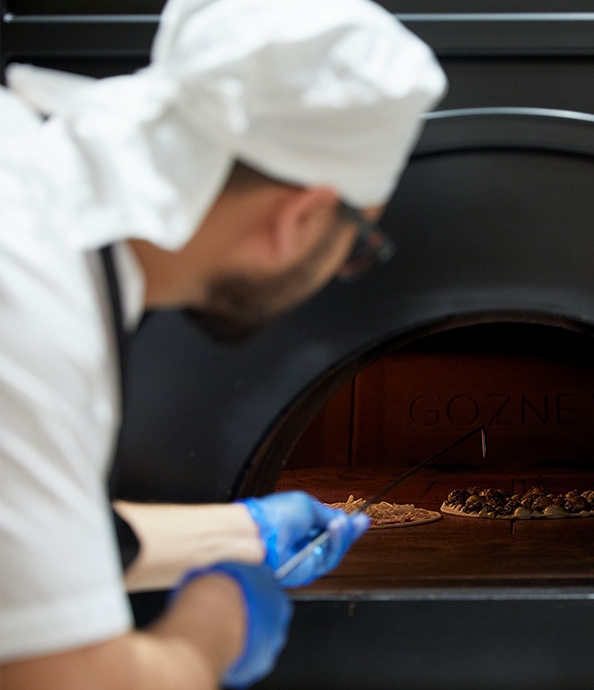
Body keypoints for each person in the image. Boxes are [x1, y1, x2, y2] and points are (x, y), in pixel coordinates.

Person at [0, 0, 448, 688]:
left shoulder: (28, 192)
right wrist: (220, 620)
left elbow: (27, 538)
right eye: (355, 246)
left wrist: (241, 533)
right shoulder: (30, 308)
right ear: (297, 217)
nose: (340, 269)